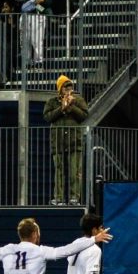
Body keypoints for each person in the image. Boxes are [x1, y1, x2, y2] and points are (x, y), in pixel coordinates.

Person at [43, 76, 89, 206]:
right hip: (58, 140)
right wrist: (61, 108)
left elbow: (84, 116)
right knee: (59, 170)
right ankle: (58, 198)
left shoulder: (78, 100)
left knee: (75, 170)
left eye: (70, 87)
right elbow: (47, 117)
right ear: (60, 89)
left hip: (75, 140)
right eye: (65, 87)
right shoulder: (52, 101)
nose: (68, 90)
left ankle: (75, 197)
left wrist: (71, 106)